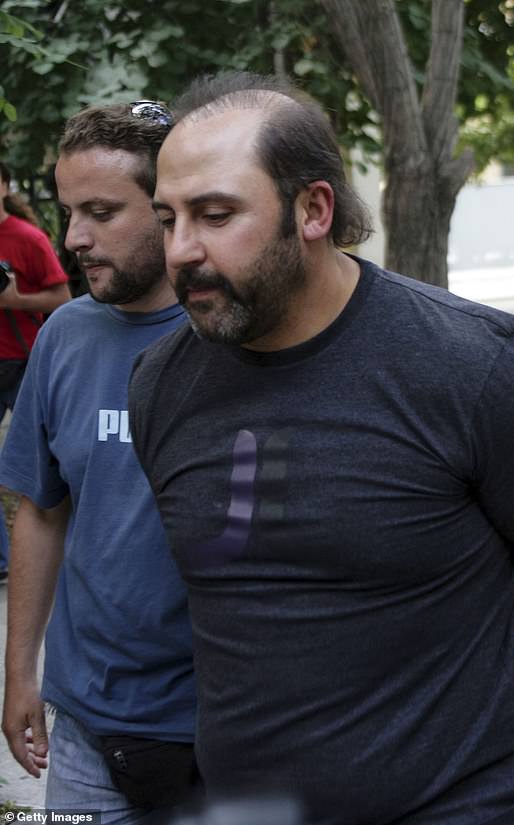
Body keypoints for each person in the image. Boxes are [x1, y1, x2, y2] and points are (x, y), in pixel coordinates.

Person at [128, 71, 514, 825]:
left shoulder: (470, 363)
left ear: (315, 208)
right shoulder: (160, 384)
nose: (182, 250)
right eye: (167, 219)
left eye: (216, 214)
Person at [0, 102, 197, 822]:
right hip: (84, 732)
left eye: (102, 211)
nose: (74, 238)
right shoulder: (63, 336)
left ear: (169, 207)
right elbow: (41, 512)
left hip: (221, 732)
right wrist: (20, 671)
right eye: (68, 211)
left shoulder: (236, 335)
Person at [0, 162, 71, 580]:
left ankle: (51, 555)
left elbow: (63, 298)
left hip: (26, 361)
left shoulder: (27, 237)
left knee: (40, 471)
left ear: (6, 187)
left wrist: (14, 300)